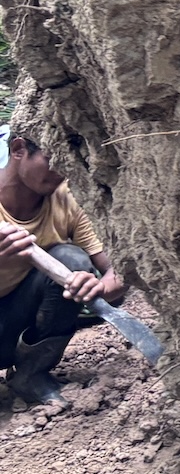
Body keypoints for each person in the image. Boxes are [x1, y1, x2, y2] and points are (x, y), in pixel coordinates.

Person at [0, 133, 123, 407]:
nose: (61, 171)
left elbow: (119, 271)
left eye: (67, 162)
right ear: (19, 149)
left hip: (16, 322)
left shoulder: (66, 198)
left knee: (72, 260)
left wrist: (99, 288)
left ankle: (31, 373)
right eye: (51, 160)